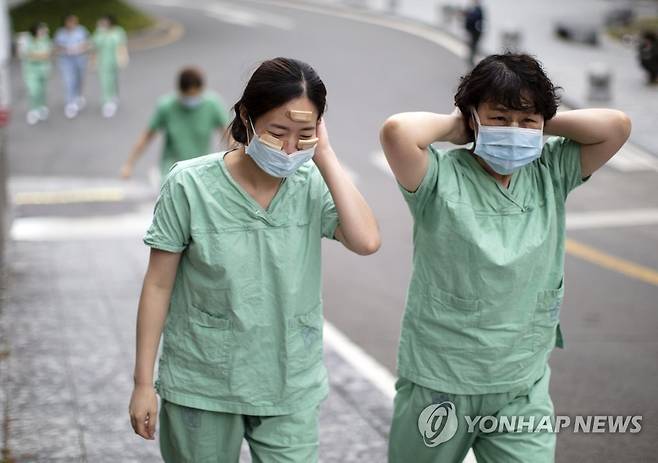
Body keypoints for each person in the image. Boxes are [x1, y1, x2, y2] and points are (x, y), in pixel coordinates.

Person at [380, 53, 631, 463]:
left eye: (526, 122)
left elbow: (616, 127)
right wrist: (457, 125)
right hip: (442, 379)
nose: (514, 131)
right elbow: (397, 131)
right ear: (473, 119)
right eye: (499, 118)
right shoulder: (439, 176)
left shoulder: (551, 171)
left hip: (521, 381)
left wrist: (542, 120)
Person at [128, 57, 380, 462]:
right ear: (247, 117)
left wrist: (326, 156)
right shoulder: (189, 185)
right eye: (277, 132)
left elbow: (366, 240)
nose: (288, 148)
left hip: (288, 381)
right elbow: (158, 284)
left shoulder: (311, 183)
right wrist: (143, 383)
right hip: (202, 381)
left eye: (305, 135)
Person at [121, 67, 229, 183]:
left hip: (200, 168)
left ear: (202, 89)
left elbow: (228, 135)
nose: (191, 99)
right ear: (179, 91)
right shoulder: (166, 106)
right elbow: (147, 136)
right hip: (172, 169)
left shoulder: (212, 105)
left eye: (194, 95)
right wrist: (129, 164)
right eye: (188, 95)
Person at [54, 14, 90, 119]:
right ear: (65, 22)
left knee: (79, 80)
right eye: (70, 22)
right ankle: (70, 104)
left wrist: (79, 48)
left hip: (80, 60)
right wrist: (66, 49)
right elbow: (56, 47)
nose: (72, 24)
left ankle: (78, 96)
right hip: (66, 61)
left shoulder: (81, 30)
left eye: (74, 22)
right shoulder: (60, 33)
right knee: (69, 81)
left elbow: (88, 43)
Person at [92, 15, 128, 118]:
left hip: (115, 61)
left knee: (114, 80)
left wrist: (123, 57)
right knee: (105, 81)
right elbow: (95, 46)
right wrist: (93, 61)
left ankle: (114, 96)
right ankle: (107, 103)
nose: (104, 24)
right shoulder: (99, 33)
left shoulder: (118, 31)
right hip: (103, 62)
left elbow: (122, 45)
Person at [20, 22, 52, 125]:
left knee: (42, 90)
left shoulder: (45, 40)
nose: (44, 31)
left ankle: (41, 107)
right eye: (42, 30)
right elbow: (24, 54)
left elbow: (47, 54)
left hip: (43, 70)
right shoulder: (27, 40)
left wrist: (34, 55)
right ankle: (33, 110)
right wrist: (38, 56)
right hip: (31, 71)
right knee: (34, 91)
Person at [463, 0, 484, 66]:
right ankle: (471, 59)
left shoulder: (478, 9)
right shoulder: (473, 8)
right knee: (471, 45)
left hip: (475, 32)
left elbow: (474, 18)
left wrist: (467, 14)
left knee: (473, 46)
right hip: (472, 31)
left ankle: (472, 60)